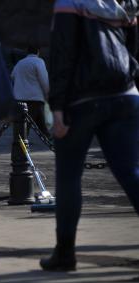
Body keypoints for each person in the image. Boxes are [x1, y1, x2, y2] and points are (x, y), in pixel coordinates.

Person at [41, 0, 139, 271]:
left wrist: (58, 106)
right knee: (131, 173)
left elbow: (63, 54)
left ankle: (64, 254)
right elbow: (133, 49)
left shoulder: (69, 3)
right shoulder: (123, 3)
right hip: (125, 94)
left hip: (81, 100)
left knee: (69, 177)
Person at [11, 46, 51, 138]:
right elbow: (44, 80)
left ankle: (48, 138)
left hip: (19, 99)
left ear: (27, 52)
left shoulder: (20, 63)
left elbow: (12, 76)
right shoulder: (39, 61)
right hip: (35, 98)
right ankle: (51, 142)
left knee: (29, 124)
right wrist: (47, 94)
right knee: (35, 124)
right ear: (38, 52)